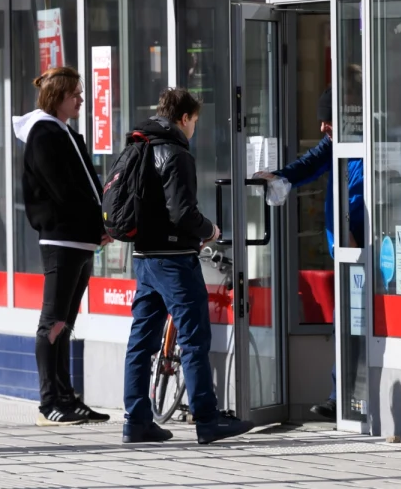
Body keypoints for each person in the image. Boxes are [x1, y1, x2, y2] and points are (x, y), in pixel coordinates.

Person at [122, 88, 255, 445]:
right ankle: (207, 420)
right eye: (195, 120)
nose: (195, 127)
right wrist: (210, 229)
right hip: (175, 259)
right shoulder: (175, 152)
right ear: (184, 118)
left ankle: (136, 421)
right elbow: (182, 212)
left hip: (144, 257)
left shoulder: (140, 144)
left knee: (141, 341)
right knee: (194, 339)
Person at [255, 83, 364, 422]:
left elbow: (361, 198)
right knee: (350, 321)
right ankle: (342, 397)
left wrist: (352, 235)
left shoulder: (365, 145)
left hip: (363, 248)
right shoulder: (336, 144)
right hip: (346, 249)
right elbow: (310, 162)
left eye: (327, 119)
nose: (322, 127)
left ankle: (343, 397)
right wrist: (281, 177)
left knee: (354, 322)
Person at [13, 66, 111, 427]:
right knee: (53, 321)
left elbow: (85, 186)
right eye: (76, 94)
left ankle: (67, 398)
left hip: (79, 238)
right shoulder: (44, 133)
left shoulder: (65, 132)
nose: (81, 100)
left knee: (65, 322)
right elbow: (62, 191)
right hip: (62, 238)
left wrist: (101, 225)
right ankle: (49, 402)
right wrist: (93, 224)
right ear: (58, 97)